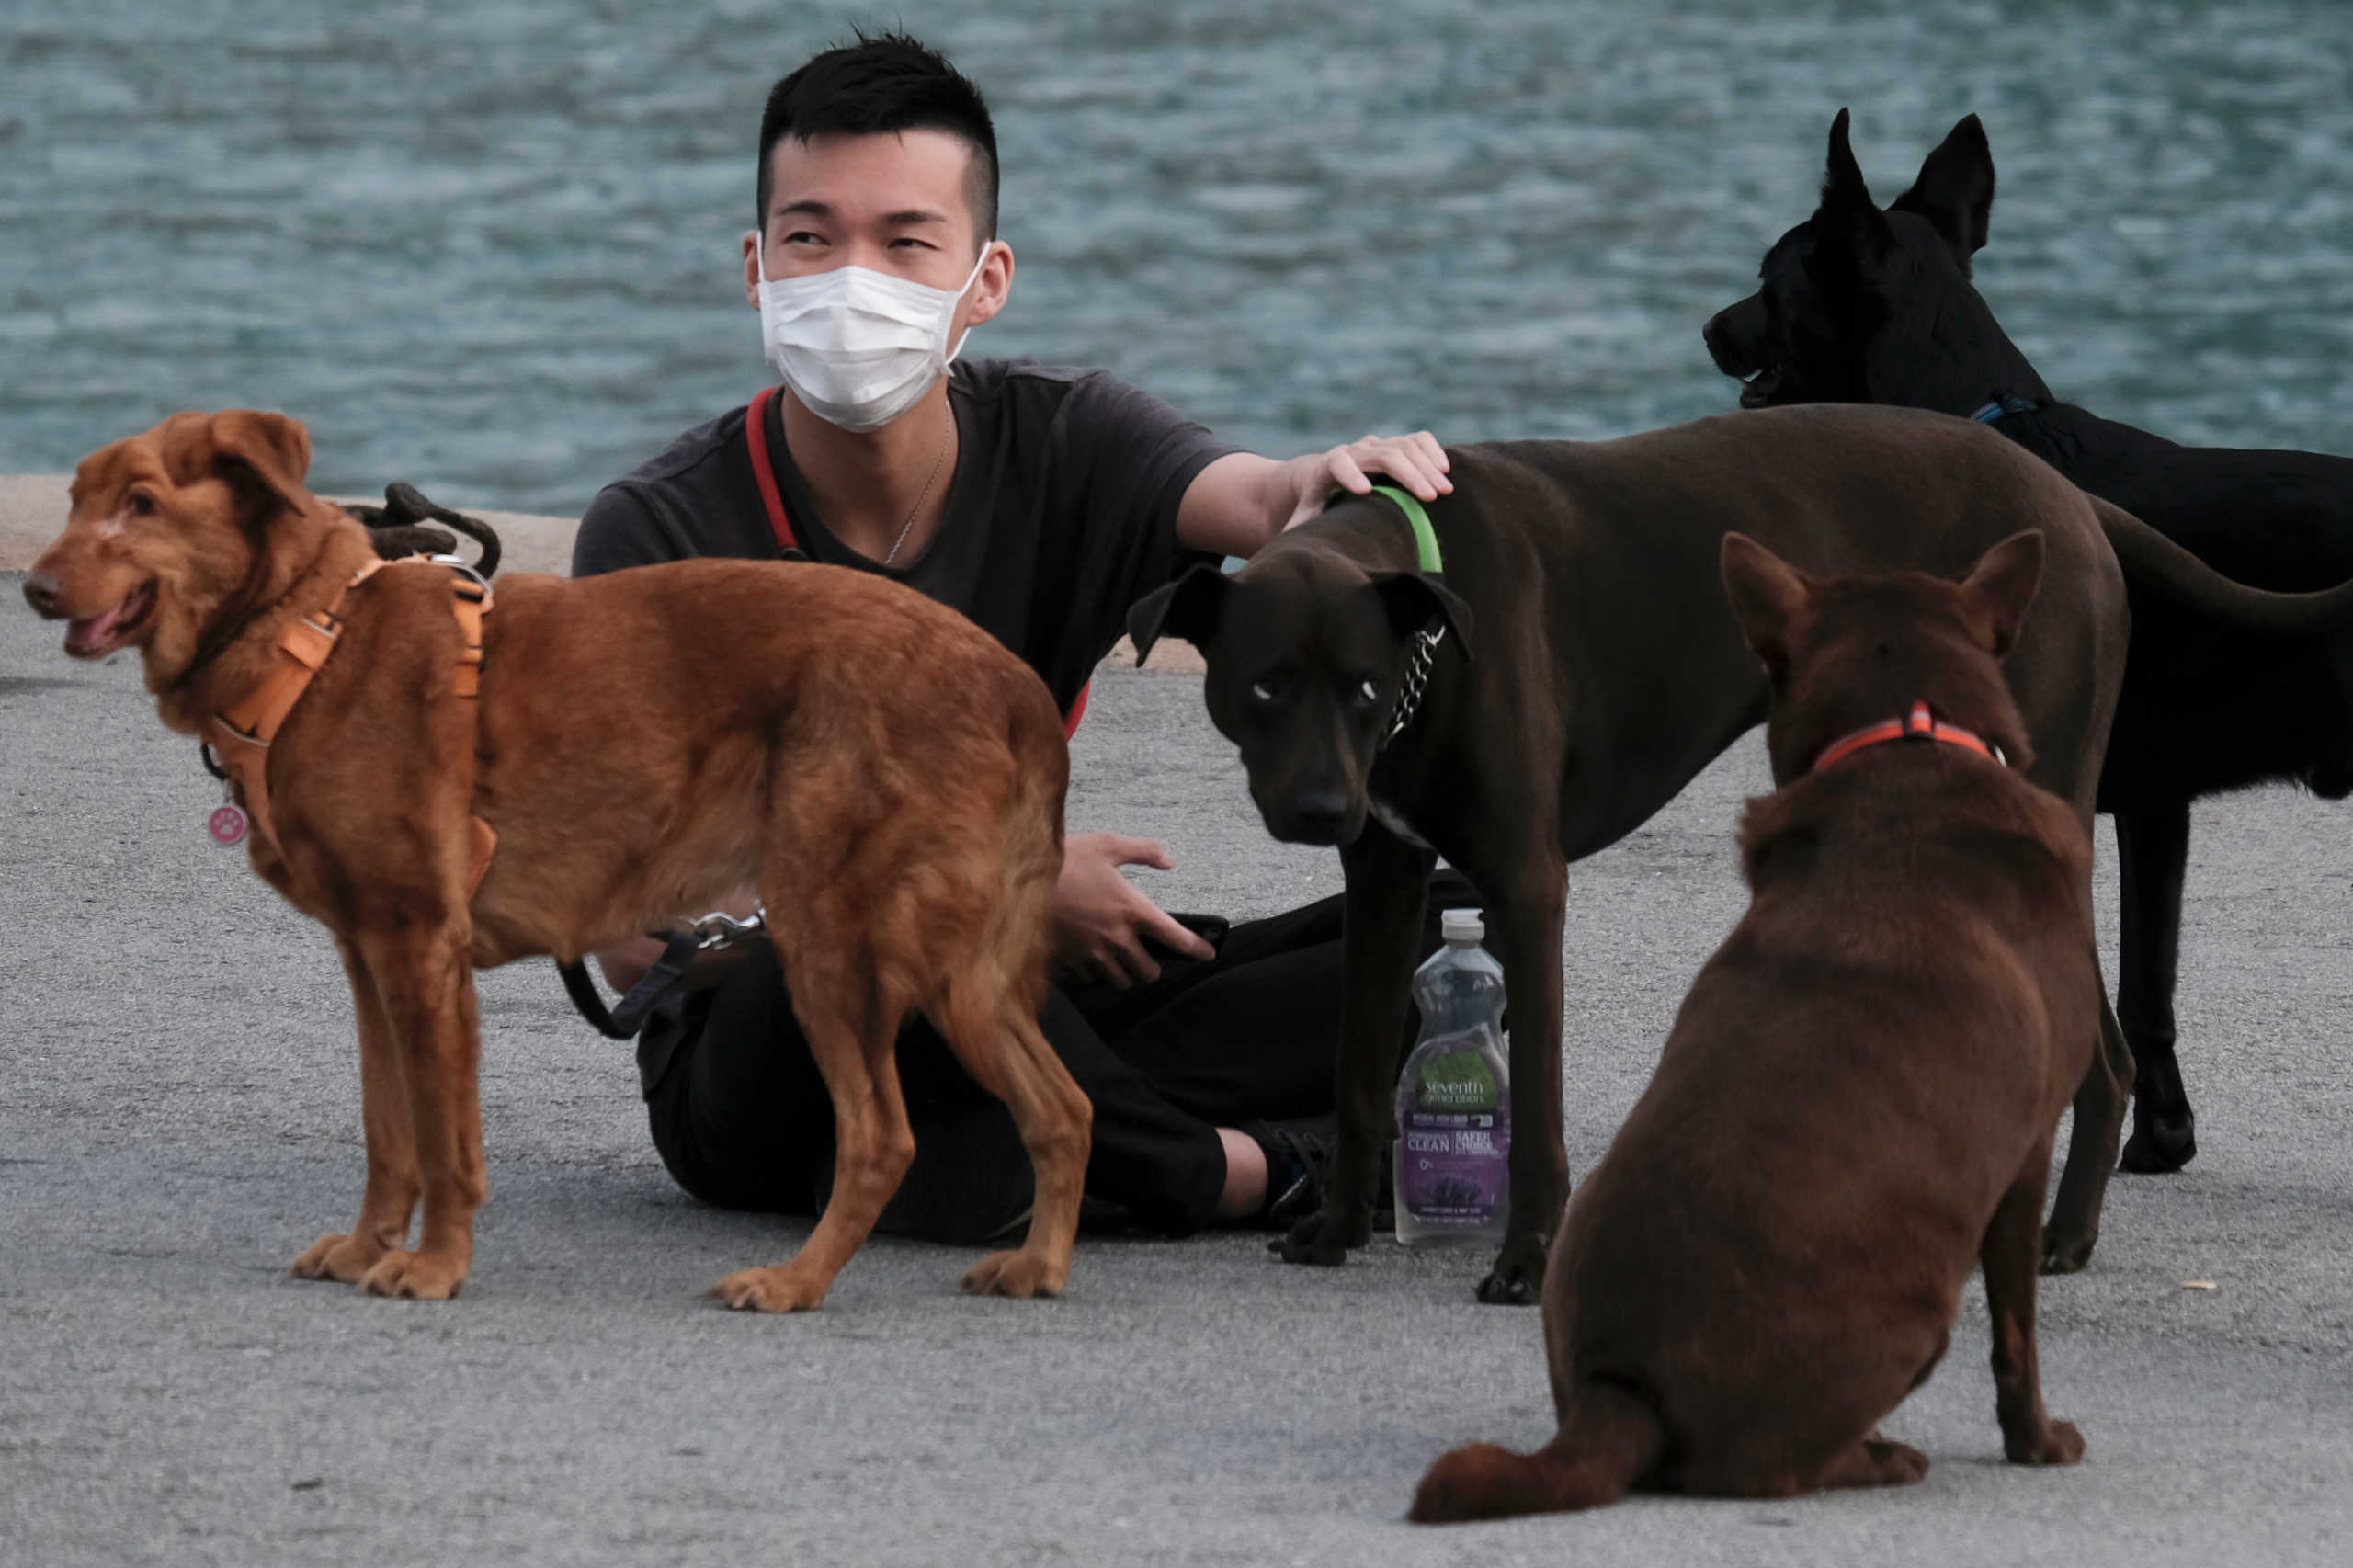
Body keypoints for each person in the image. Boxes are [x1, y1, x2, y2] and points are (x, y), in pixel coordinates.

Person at [574, 31, 1473, 1244]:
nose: (851, 277)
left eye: (904, 241)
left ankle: (1020, 1147)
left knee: (1449, 942)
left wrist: (1338, 475)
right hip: (770, 1053)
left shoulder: (1067, 440)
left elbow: (1258, 501)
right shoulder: (658, 529)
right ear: (755, 268)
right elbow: (625, 935)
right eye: (809, 237)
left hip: (1009, 995)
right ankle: (1234, 1170)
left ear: (984, 279)